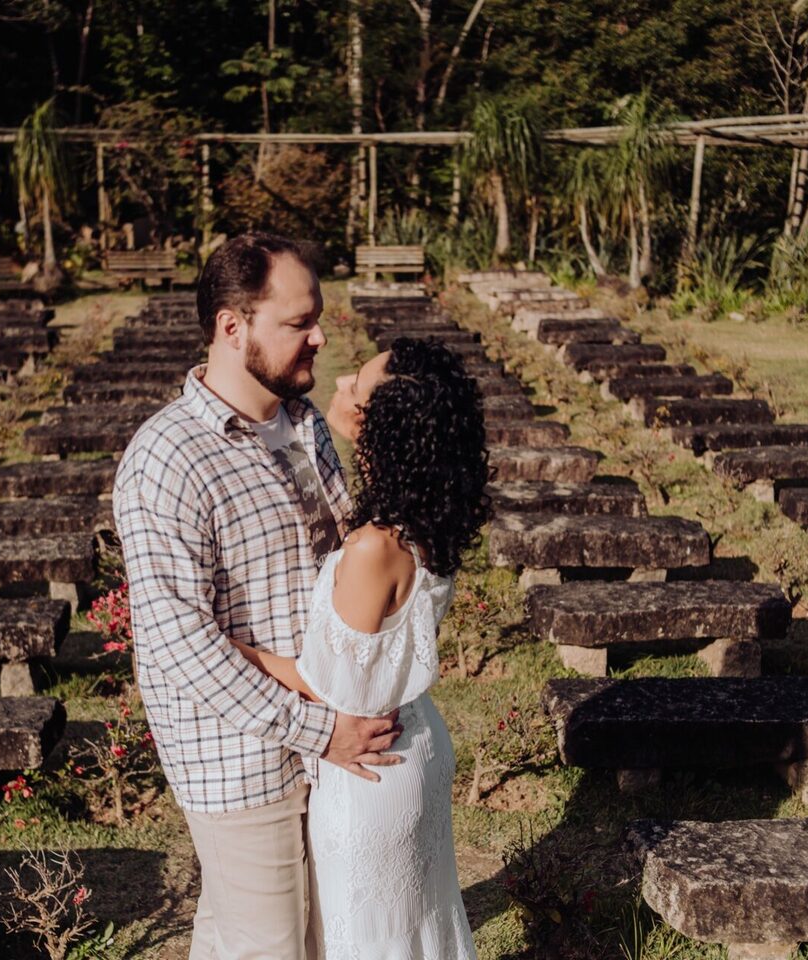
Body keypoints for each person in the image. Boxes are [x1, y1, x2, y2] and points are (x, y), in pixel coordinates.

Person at [114, 232, 402, 960]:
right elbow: (179, 645)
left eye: (319, 317)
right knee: (270, 947)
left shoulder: (304, 426)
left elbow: (337, 569)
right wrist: (320, 731)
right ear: (231, 327)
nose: (320, 336)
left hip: (322, 735)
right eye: (299, 322)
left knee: (271, 937)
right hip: (239, 756)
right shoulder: (167, 460)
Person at [231, 337, 490, 958]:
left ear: (387, 424)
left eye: (359, 386)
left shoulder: (375, 547)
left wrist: (241, 650)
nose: (342, 380)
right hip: (415, 741)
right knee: (419, 930)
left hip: (370, 770)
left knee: (370, 940)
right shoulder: (428, 515)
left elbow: (333, 686)